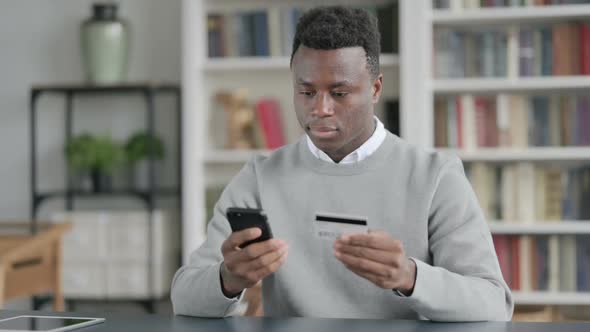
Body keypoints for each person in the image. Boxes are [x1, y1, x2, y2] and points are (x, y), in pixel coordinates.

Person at [171, 6, 513, 321]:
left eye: (339, 93)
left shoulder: (436, 176)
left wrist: (409, 277)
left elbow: (494, 303)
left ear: (375, 89)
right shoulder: (260, 176)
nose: (320, 108)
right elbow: (184, 297)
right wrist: (229, 279)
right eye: (306, 92)